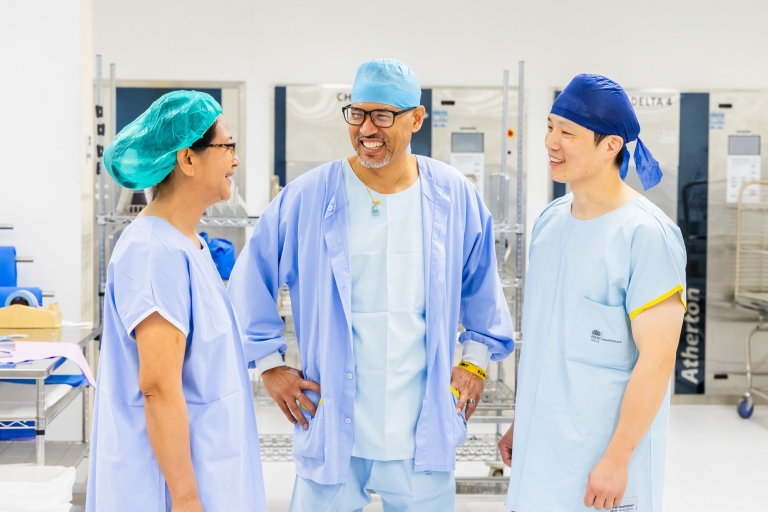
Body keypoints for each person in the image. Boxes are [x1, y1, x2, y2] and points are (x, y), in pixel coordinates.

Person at [228, 59, 514, 512]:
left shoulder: (452, 195)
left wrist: (475, 362)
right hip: (332, 418)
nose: (367, 128)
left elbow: (481, 285)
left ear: (416, 118)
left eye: (383, 115)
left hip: (420, 424)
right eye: (357, 114)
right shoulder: (310, 195)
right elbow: (250, 278)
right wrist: (268, 364)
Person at [499, 74, 686, 512]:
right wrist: (523, 423)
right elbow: (549, 343)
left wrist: (617, 459)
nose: (550, 142)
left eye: (568, 133)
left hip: (602, 461)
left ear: (611, 146)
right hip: (542, 451)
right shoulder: (550, 222)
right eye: (549, 127)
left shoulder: (647, 236)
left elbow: (657, 361)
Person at [86, 91, 266, 512]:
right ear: (187, 159)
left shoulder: (188, 244)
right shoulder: (154, 251)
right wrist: (185, 498)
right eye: (227, 147)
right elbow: (158, 386)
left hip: (209, 470)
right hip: (168, 490)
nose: (235, 161)